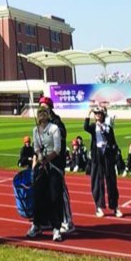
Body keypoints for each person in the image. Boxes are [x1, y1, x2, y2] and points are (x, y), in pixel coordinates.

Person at [26, 105, 65, 242]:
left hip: (53, 165)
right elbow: (36, 147)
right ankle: (36, 224)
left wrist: (47, 159)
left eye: (44, 112)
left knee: (54, 197)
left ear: (48, 115)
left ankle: (56, 228)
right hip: (41, 165)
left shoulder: (54, 129)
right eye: (39, 113)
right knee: (38, 195)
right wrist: (39, 155)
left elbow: (57, 149)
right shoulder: (36, 130)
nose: (42, 115)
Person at [38, 96, 75, 234]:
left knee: (60, 192)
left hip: (56, 164)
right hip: (46, 163)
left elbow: (60, 137)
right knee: (47, 193)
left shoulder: (57, 122)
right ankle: (50, 220)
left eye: (45, 107)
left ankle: (67, 221)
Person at [84, 106, 123, 218]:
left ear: (103, 115)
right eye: (95, 113)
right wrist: (88, 113)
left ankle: (115, 206)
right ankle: (99, 206)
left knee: (111, 182)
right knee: (97, 182)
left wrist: (116, 159)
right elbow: (85, 127)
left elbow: (112, 141)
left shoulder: (108, 128)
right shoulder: (93, 126)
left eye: (99, 113)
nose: (97, 115)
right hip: (97, 157)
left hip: (107, 156)